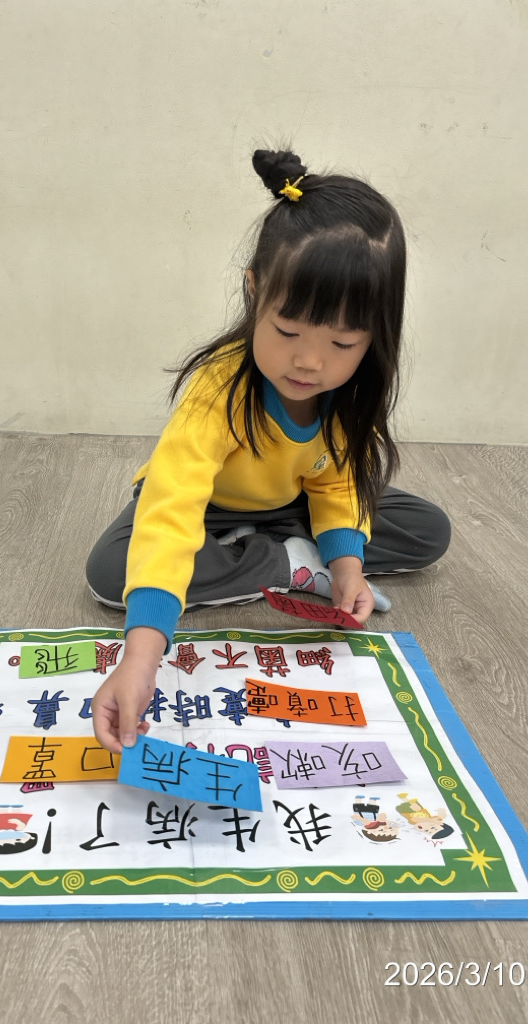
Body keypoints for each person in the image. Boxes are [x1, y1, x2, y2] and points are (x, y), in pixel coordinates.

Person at [87, 149, 451, 753]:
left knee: (427, 529)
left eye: (342, 343)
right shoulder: (218, 391)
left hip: (288, 505)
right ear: (255, 291)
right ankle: (286, 564)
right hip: (205, 508)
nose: (309, 362)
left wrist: (347, 565)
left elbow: (338, 482)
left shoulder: (347, 394)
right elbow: (173, 507)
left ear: (375, 336)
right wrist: (142, 657)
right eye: (286, 331)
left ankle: (295, 553)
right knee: (109, 573)